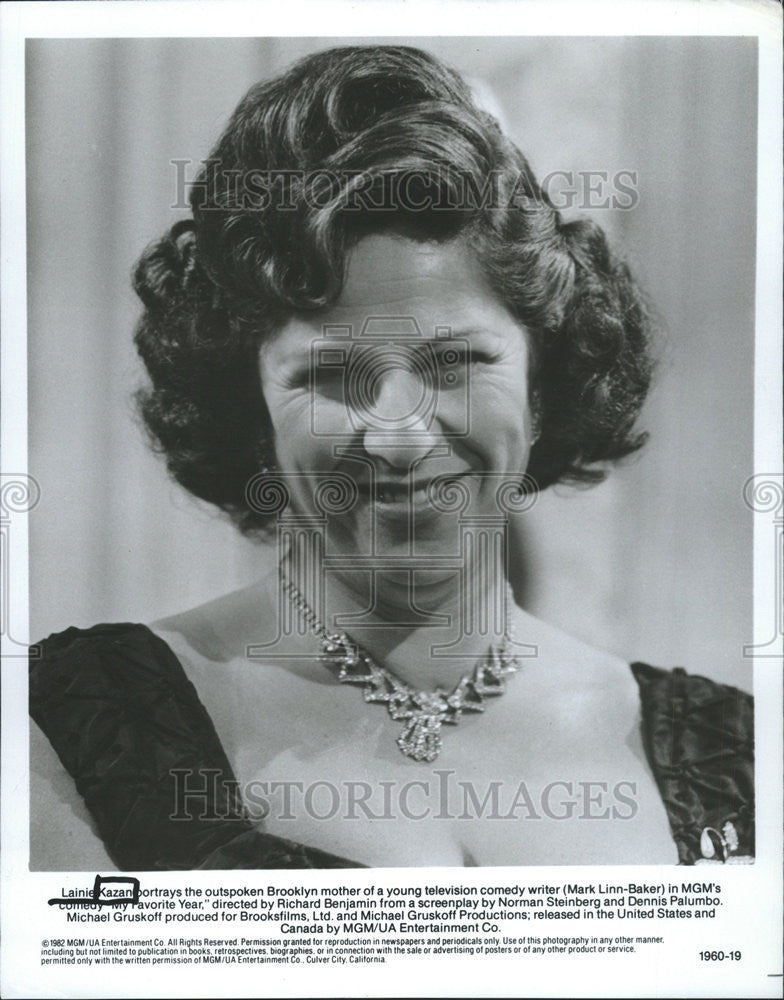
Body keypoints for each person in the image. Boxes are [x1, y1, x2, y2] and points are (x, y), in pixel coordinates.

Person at [29, 45, 753, 870]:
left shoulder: (730, 756)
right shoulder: (73, 732)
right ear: (251, 407)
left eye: (456, 364)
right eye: (334, 374)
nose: (402, 436)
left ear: (544, 382)